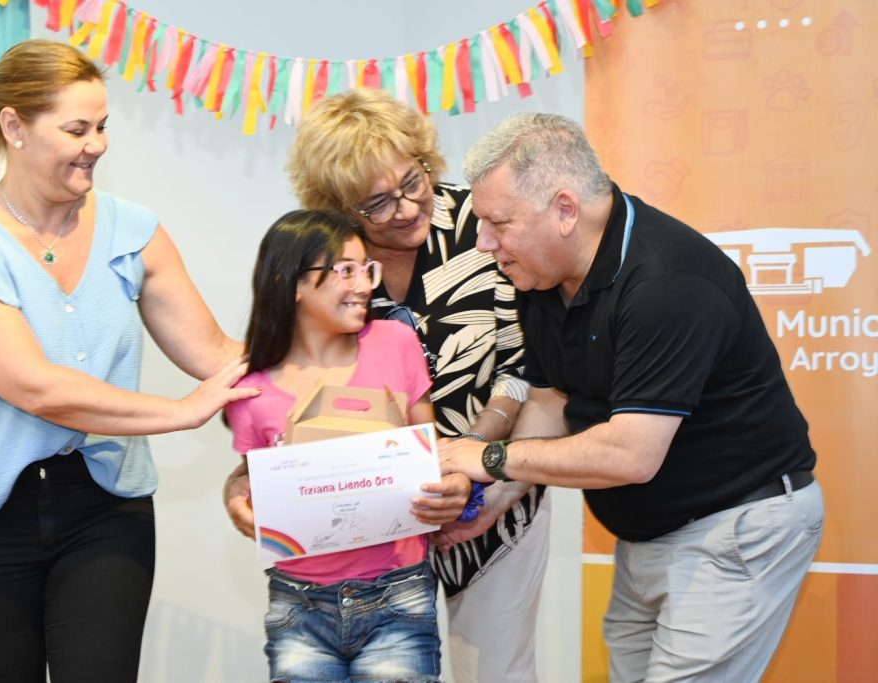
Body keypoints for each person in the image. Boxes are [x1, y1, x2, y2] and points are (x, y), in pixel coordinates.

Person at [0, 39, 258, 683]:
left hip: (105, 509)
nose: (96, 144)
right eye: (76, 129)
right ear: (14, 126)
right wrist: (180, 412)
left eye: (102, 126)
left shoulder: (135, 231)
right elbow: (36, 388)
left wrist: (327, 363)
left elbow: (215, 355)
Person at [440, 112, 824, 682]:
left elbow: (631, 455)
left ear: (564, 209)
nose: (483, 243)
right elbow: (549, 401)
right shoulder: (539, 275)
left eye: (499, 223)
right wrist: (492, 502)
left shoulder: (669, 283)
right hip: (648, 532)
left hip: (737, 525)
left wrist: (489, 457)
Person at [225, 89, 553, 682]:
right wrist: (245, 483)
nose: (404, 209)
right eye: (376, 202)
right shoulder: (330, 269)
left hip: (496, 497)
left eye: (412, 181)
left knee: (494, 669)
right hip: (365, 542)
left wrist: (471, 459)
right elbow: (285, 391)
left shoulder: (486, 228)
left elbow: (529, 366)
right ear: (340, 206)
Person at [224, 209, 470, 682]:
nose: (364, 285)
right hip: (298, 603)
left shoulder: (396, 343)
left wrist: (453, 486)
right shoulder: (250, 389)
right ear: (292, 281)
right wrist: (240, 500)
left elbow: (433, 455)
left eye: (367, 269)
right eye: (346, 270)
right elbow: (251, 481)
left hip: (398, 592)